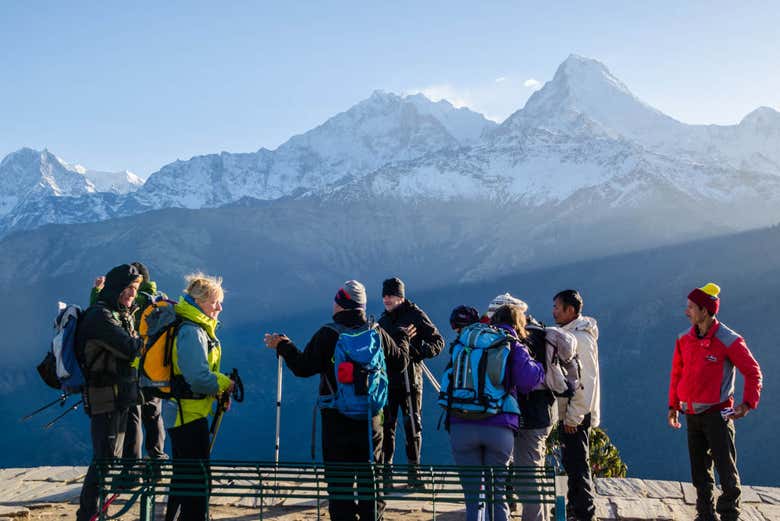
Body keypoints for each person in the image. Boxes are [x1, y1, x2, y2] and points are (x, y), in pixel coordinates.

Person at [264, 280, 409, 521]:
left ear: (341, 303)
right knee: (370, 480)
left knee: (340, 484)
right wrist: (402, 336)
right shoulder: (376, 332)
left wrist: (284, 346)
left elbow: (303, 367)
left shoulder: (328, 334)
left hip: (336, 417)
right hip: (370, 420)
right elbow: (400, 362)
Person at [668, 283, 762, 521]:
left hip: (718, 414)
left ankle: (730, 514)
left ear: (705, 310)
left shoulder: (728, 339)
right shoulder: (683, 339)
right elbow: (677, 373)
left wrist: (746, 404)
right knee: (699, 470)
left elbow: (752, 372)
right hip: (691, 412)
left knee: (725, 468)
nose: (686, 311)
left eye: (690, 307)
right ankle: (705, 514)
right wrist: (673, 406)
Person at [448, 304, 545, 521]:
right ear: (518, 324)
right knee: (497, 495)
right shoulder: (511, 343)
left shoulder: (467, 340)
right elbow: (527, 380)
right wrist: (539, 366)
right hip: (498, 426)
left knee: (473, 498)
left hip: (460, 424)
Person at [162, 273, 234, 521]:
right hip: (187, 415)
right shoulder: (192, 332)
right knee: (198, 484)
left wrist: (219, 388)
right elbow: (198, 378)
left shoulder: (194, 328)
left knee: (185, 478)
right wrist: (225, 383)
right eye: (215, 302)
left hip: (185, 412)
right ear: (200, 302)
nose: (219, 307)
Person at [75, 264, 144, 521]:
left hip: (117, 396)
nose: (131, 294)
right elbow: (130, 348)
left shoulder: (117, 313)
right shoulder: (101, 317)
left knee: (108, 459)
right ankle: (89, 514)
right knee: (103, 460)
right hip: (105, 397)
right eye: (128, 288)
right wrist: (149, 334)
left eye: (135, 289)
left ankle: (94, 512)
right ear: (115, 287)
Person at [92, 261, 168, 464]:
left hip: (133, 370)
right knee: (154, 414)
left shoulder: (132, 301)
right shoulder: (158, 301)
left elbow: (105, 324)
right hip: (155, 368)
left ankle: (131, 467)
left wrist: (96, 292)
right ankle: (158, 458)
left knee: (133, 417)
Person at [378, 277, 444, 487]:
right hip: (388, 381)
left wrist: (417, 353)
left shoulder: (415, 315)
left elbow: (438, 342)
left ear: (401, 296)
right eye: (385, 296)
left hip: (410, 381)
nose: (387, 299)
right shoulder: (383, 321)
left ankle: (414, 473)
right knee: (386, 427)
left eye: (391, 296)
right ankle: (385, 474)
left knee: (412, 426)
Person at [552, 289, 599, 521]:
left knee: (578, 464)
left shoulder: (580, 339)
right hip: (571, 412)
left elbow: (585, 382)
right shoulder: (571, 334)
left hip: (576, 414)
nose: (554, 312)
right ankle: (574, 508)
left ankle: (584, 512)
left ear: (570, 310)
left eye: (557, 308)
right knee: (571, 463)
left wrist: (573, 417)